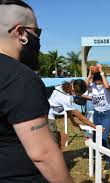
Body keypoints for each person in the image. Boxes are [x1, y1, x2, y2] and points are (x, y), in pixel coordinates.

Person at [0, 1, 74, 182]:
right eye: (36, 32)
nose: (38, 39)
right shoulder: (19, 78)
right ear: (20, 33)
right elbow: (43, 153)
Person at [48, 79, 96, 147]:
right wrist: (96, 127)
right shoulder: (66, 98)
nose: (79, 96)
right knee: (53, 141)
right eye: (79, 94)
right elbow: (82, 118)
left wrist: (73, 122)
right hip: (46, 114)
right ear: (75, 91)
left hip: (46, 111)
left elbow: (68, 110)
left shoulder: (62, 87)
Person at [84, 64, 110, 171]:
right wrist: (90, 74)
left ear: (102, 78)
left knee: (104, 138)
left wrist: (101, 71)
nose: (97, 81)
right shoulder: (93, 88)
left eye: (99, 79)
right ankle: (99, 154)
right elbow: (85, 85)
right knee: (97, 138)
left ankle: (108, 159)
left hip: (107, 115)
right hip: (97, 115)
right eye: (96, 80)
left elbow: (106, 86)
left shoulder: (109, 88)